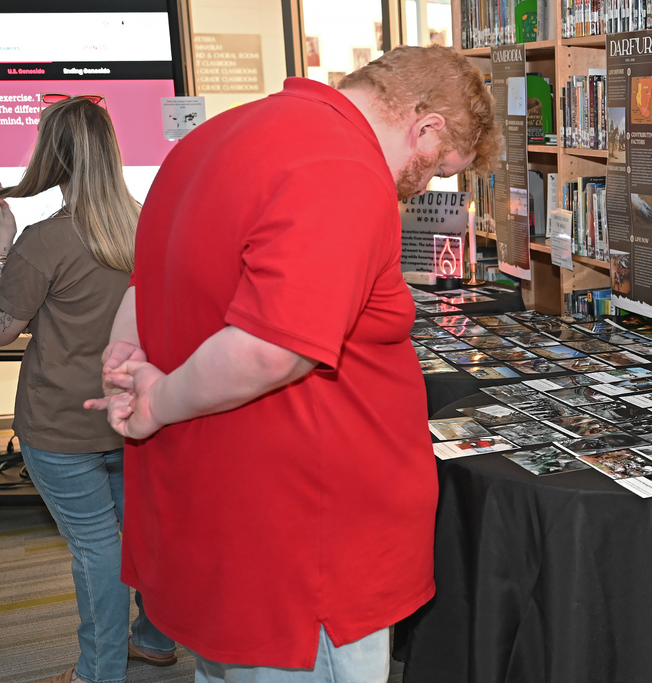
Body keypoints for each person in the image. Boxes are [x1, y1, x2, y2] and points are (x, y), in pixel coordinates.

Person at [86, 45, 500, 682]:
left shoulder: (217, 136)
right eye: (438, 169)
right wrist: (154, 402)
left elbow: (148, 284)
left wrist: (124, 359)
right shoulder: (341, 167)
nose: (423, 186)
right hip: (308, 555)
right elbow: (271, 348)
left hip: (225, 525)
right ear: (426, 125)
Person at [0, 98, 177, 683]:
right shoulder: (151, 220)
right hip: (136, 414)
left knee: (95, 548)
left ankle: (98, 672)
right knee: (147, 536)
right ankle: (153, 639)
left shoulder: (42, 241)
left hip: (60, 425)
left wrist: (1, 249)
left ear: (51, 156)